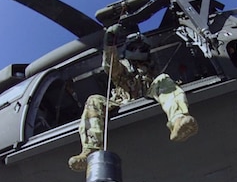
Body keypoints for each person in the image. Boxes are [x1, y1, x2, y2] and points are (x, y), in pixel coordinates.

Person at [68, 24, 198, 172]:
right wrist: (110, 44)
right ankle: (91, 150)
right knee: (94, 100)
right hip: (121, 103)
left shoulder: (152, 75)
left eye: (141, 49)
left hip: (147, 96)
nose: (137, 52)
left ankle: (178, 120)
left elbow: (164, 87)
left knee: (164, 79)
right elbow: (110, 66)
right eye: (133, 48)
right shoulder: (122, 73)